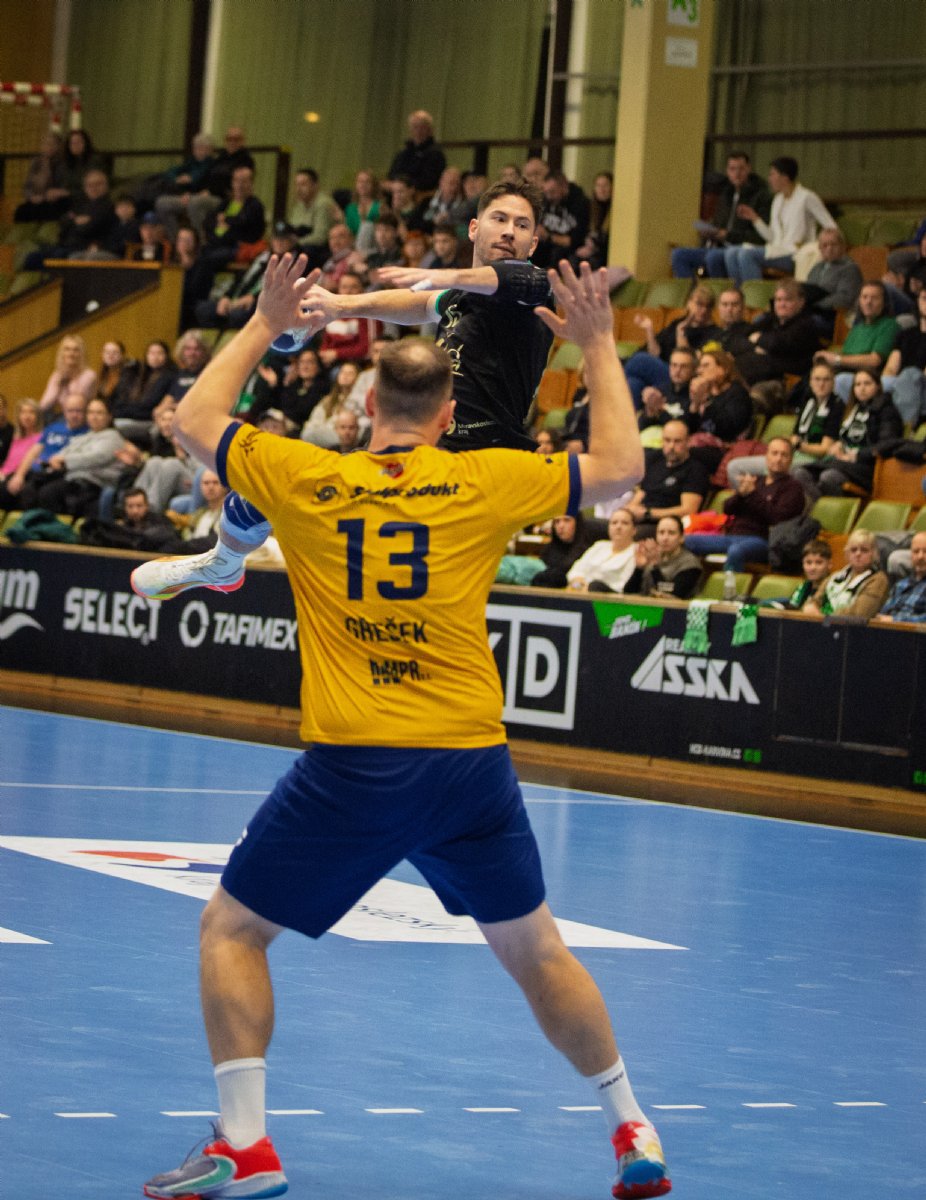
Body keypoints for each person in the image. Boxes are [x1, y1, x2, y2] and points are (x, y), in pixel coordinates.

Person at [137, 255, 671, 1200]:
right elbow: (624, 470)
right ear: (448, 409)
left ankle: (246, 1146)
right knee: (537, 950)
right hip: (471, 768)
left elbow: (193, 420)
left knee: (232, 929)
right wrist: (596, 343)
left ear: (369, 406)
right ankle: (632, 1126)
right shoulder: (487, 479)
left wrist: (265, 322)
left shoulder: (305, 475)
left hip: (358, 765)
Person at [130, 180, 569, 597]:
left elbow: (508, 280)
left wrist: (440, 274)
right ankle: (224, 563)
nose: (509, 231)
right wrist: (338, 305)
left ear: (533, 243)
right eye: (499, 219)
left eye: (522, 225)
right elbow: (418, 304)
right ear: (474, 228)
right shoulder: (459, 297)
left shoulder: (533, 290)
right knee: (259, 489)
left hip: (482, 468)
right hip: (417, 456)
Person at [685, 437, 805, 571]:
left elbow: (778, 518)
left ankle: (729, 584)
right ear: (766, 456)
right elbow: (727, 509)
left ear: (791, 460)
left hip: (762, 540)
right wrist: (740, 494)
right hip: (733, 536)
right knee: (686, 541)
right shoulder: (757, 481)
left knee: (736, 551)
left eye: (784, 455)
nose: (778, 459)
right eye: (774, 453)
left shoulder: (793, 488)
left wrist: (752, 494)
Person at [720, 156, 836, 284]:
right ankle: (738, 293)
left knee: (746, 255)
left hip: (795, 254)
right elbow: (772, 237)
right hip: (777, 250)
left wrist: (820, 245)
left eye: (772, 174)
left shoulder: (806, 197)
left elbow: (831, 227)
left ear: (784, 177)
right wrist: (754, 218)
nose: (769, 179)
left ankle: (755, 294)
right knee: (730, 253)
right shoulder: (778, 200)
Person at [791, 368, 903, 498]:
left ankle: (826, 508)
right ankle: (818, 506)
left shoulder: (887, 411)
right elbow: (845, 436)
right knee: (800, 473)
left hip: (867, 466)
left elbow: (887, 444)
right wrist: (838, 445)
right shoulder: (852, 409)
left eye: (867, 383)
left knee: (828, 477)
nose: (862, 388)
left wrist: (857, 455)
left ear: (878, 386)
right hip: (841, 462)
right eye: (858, 384)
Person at [670, 151, 772, 279]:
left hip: (740, 249)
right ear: (727, 171)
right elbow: (719, 224)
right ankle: (693, 291)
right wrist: (710, 231)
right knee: (678, 254)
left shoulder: (761, 197)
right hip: (718, 246)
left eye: (741, 169)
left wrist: (728, 235)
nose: (737, 173)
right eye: (732, 169)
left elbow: (759, 237)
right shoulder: (725, 194)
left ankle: (721, 291)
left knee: (713, 257)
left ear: (749, 169)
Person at [0, 391, 88, 510]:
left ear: (85, 411)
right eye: (70, 410)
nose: (74, 415)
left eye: (79, 411)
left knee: (34, 493)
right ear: (64, 410)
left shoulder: (87, 433)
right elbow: (32, 453)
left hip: (59, 475)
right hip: (36, 473)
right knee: (8, 488)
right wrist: (19, 476)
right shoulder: (53, 428)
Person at [625, 419, 711, 538]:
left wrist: (649, 514)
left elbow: (688, 510)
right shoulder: (655, 463)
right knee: (599, 526)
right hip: (640, 519)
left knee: (627, 534)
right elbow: (642, 493)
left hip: (666, 527)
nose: (671, 446)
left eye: (677, 441)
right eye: (667, 440)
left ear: (688, 442)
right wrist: (628, 511)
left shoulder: (695, 470)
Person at [803, 528, 889, 618]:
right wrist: (810, 608)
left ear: (874, 554)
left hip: (851, 626)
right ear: (847, 553)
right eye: (853, 550)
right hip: (823, 622)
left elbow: (859, 613)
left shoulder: (878, 580)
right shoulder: (835, 576)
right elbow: (813, 602)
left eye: (864, 550)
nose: (858, 554)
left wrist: (823, 617)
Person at [624, 515, 702, 600]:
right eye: (661, 533)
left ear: (681, 538)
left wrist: (655, 567)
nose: (665, 538)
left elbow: (672, 594)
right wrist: (639, 569)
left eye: (671, 533)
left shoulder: (690, 564)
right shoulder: (651, 558)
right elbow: (627, 592)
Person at [881, 287, 926, 425]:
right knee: (848, 380)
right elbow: (890, 368)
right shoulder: (906, 334)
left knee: (910, 374)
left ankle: (908, 427)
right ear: (918, 301)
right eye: (924, 298)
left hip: (921, 384)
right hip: (900, 383)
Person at [566, 508, 639, 593]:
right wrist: (579, 583)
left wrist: (590, 588)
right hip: (581, 590)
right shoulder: (599, 545)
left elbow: (622, 585)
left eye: (625, 523)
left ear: (634, 530)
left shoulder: (637, 551)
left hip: (608, 596)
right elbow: (575, 570)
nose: (618, 527)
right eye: (614, 523)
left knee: (595, 586)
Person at [804, 228, 863, 331]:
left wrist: (815, 305)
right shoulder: (816, 267)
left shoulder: (850, 268)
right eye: (825, 245)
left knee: (799, 322)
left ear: (843, 246)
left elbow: (845, 299)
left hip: (832, 318)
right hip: (811, 312)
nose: (829, 249)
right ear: (820, 248)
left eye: (834, 244)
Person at [386, 109, 446, 195]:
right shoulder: (403, 153)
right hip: (397, 191)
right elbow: (392, 174)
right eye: (415, 127)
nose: (418, 131)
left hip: (419, 195)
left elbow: (428, 181)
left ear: (430, 130)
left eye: (422, 127)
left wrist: (405, 186)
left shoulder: (436, 154)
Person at [873, 531, 926, 624]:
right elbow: (884, 614)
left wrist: (895, 621)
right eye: (916, 551)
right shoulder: (901, 584)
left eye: (925, 551)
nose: (920, 556)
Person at [39, 334, 98, 415]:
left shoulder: (89, 375)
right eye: (67, 349)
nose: (71, 354)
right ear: (62, 353)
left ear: (81, 354)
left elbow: (75, 404)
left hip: (80, 416)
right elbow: (45, 402)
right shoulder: (57, 375)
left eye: (76, 350)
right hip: (61, 416)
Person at [786, 538, 833, 612]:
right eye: (808, 562)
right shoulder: (804, 587)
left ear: (829, 564)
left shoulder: (834, 589)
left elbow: (833, 615)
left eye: (819, 562)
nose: (813, 568)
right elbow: (793, 607)